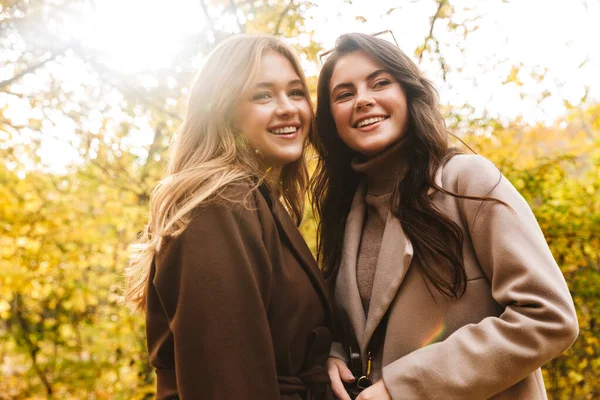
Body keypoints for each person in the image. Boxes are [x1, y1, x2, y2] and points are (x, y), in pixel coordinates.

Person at [310, 32, 579, 400]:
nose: (364, 100)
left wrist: (404, 388)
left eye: (380, 83)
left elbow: (549, 317)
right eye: (345, 94)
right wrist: (335, 354)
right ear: (332, 121)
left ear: (408, 93)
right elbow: (363, 330)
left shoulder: (469, 180)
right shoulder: (344, 212)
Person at [125, 34, 335, 400]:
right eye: (263, 95)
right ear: (223, 111)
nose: (288, 108)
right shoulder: (218, 204)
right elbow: (227, 381)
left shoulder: (258, 201)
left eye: (296, 92)